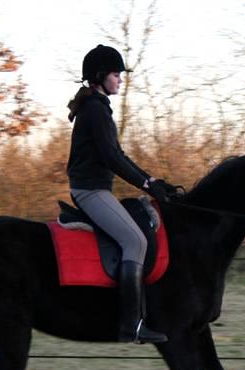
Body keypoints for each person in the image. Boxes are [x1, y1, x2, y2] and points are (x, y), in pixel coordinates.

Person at [66, 44, 175, 344]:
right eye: (116, 74)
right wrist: (147, 185)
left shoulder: (97, 108)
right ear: (101, 76)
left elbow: (118, 154)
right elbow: (112, 159)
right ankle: (131, 326)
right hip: (90, 191)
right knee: (135, 240)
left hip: (94, 188)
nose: (120, 80)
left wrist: (149, 180)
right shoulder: (95, 110)